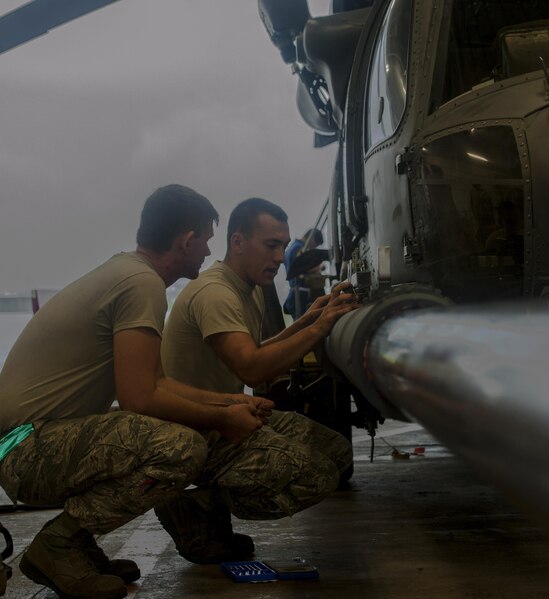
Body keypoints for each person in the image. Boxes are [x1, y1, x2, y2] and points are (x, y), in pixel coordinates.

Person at [0, 185, 272, 599]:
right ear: (186, 240)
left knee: (160, 432)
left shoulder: (128, 273)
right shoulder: (141, 284)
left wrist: (233, 400)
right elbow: (139, 399)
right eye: (206, 241)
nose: (207, 252)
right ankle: (59, 545)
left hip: (24, 441)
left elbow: (157, 381)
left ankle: (78, 545)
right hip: (23, 448)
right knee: (179, 447)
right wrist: (222, 419)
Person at [160, 198, 358, 563]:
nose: (281, 257)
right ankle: (195, 506)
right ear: (237, 243)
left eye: (283, 246)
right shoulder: (215, 292)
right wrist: (322, 328)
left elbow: (254, 348)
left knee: (338, 454)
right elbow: (250, 368)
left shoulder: (244, 287)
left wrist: (309, 319)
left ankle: (209, 512)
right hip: (199, 428)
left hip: (228, 415)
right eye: (271, 245)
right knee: (316, 476)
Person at [283, 227, 325, 319]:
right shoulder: (300, 249)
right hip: (300, 294)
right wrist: (319, 267)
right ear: (313, 239)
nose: (314, 248)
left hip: (296, 293)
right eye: (315, 245)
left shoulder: (292, 247)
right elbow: (303, 268)